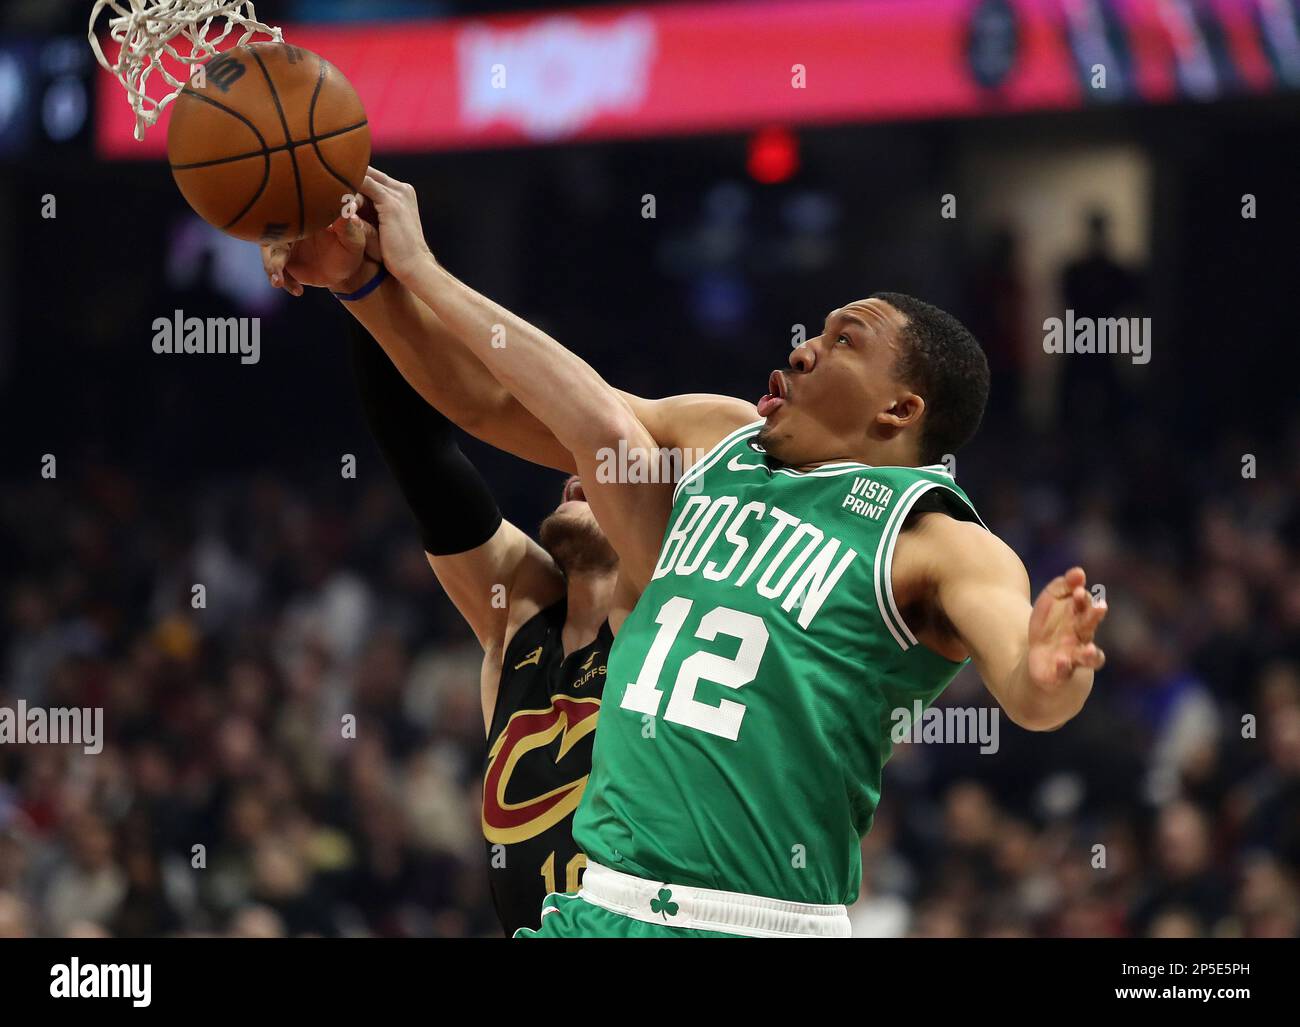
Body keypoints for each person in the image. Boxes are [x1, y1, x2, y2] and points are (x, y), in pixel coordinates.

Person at [279, 170, 1109, 938]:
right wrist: (362, 283)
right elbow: (498, 399)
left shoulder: (938, 539)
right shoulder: (722, 437)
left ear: (899, 408)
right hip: (598, 903)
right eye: (817, 332)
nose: (805, 348)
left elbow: (1032, 693)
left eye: (845, 340)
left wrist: (1047, 673)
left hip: (755, 916)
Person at [263, 216, 623, 936]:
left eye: (611, 479)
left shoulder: (670, 618)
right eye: (576, 474)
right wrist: (356, 277)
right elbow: (419, 451)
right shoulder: (519, 609)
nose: (582, 477)